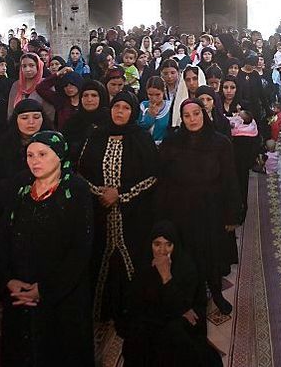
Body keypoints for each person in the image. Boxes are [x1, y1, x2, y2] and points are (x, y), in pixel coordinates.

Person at [0, 131, 94, 367]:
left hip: (61, 292)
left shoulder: (76, 190)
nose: (35, 161)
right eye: (30, 155)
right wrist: (8, 279)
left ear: (59, 156)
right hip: (20, 287)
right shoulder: (21, 187)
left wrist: (47, 289)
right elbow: (4, 237)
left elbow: (81, 248)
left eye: (42, 154)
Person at [77, 91, 159, 328]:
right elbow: (81, 173)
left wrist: (120, 195)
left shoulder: (141, 138)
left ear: (133, 111)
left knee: (133, 259)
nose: (119, 111)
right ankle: (102, 311)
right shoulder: (96, 136)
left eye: (125, 107)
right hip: (99, 212)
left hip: (134, 216)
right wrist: (101, 193)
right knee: (100, 258)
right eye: (116, 107)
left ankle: (133, 311)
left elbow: (153, 176)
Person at [156, 99, 240, 315]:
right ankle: (189, 296)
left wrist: (231, 214)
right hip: (180, 209)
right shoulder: (172, 143)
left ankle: (216, 292)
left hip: (211, 209)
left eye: (196, 114)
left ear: (203, 114)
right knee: (185, 254)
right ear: (181, 119)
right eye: (187, 115)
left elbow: (230, 179)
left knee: (211, 254)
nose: (192, 119)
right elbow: (163, 179)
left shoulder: (220, 143)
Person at [121, 221, 223, 367]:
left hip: (176, 323)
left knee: (176, 334)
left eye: (168, 244)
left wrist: (166, 276)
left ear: (175, 245)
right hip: (152, 320)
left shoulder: (186, 267)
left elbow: (187, 307)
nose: (162, 250)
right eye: (157, 244)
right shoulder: (144, 266)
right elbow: (136, 304)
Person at [0, 99, 52, 225]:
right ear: (16, 120)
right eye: (24, 118)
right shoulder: (3, 144)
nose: (31, 122)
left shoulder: (52, 144)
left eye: (36, 117)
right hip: (8, 206)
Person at [7, 52, 55, 125]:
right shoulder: (16, 85)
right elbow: (11, 111)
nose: (27, 69)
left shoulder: (45, 84)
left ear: (38, 66)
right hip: (18, 128)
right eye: (24, 66)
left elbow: (50, 113)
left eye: (31, 65)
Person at [137, 76, 172, 144]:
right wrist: (150, 116)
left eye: (157, 94)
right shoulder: (143, 106)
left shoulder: (170, 106)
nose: (154, 98)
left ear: (163, 91)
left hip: (164, 146)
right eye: (150, 95)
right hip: (145, 145)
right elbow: (139, 128)